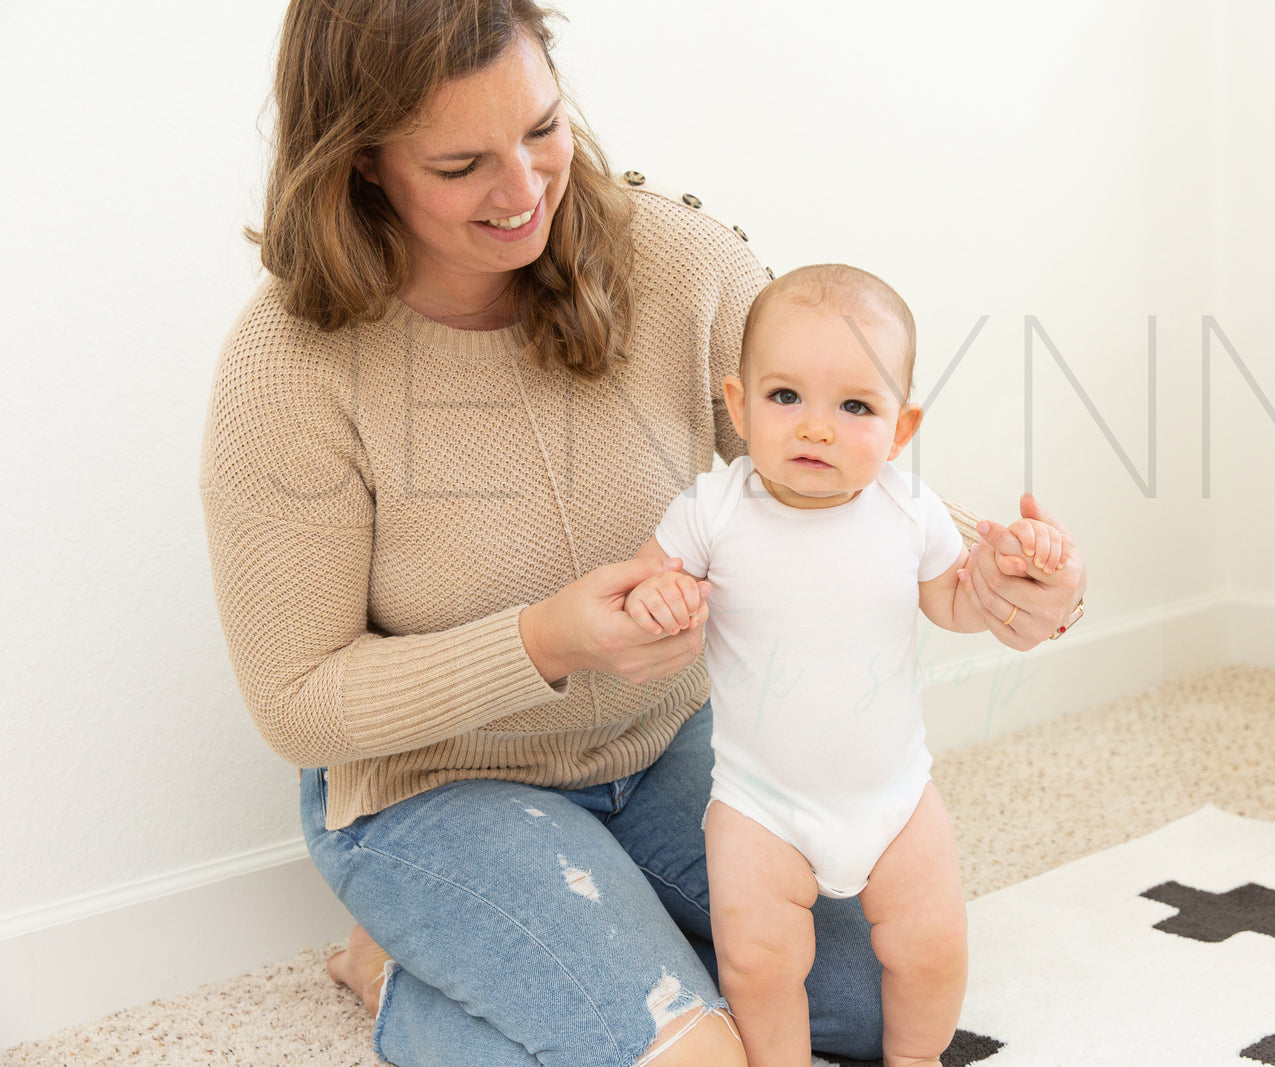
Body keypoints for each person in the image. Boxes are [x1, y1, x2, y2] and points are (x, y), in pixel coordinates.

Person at [199, 1, 1086, 1064]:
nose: (525, 189)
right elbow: (296, 701)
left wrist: (1003, 573)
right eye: (461, 163)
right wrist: (542, 642)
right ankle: (394, 971)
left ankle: (587, 963)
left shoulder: (675, 258)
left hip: (667, 746)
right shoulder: (288, 366)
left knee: (866, 994)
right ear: (364, 164)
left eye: (540, 128)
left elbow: (830, 454)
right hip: (435, 788)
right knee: (703, 1055)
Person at [623, 264, 1066, 1067]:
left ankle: (917, 1059)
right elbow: (648, 581)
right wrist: (659, 596)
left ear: (900, 429)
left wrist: (1012, 567)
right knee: (760, 964)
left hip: (894, 797)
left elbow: (957, 605)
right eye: (785, 397)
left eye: (855, 405)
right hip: (759, 806)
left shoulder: (909, 508)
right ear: (738, 404)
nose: (816, 427)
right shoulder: (712, 510)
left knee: (933, 946)